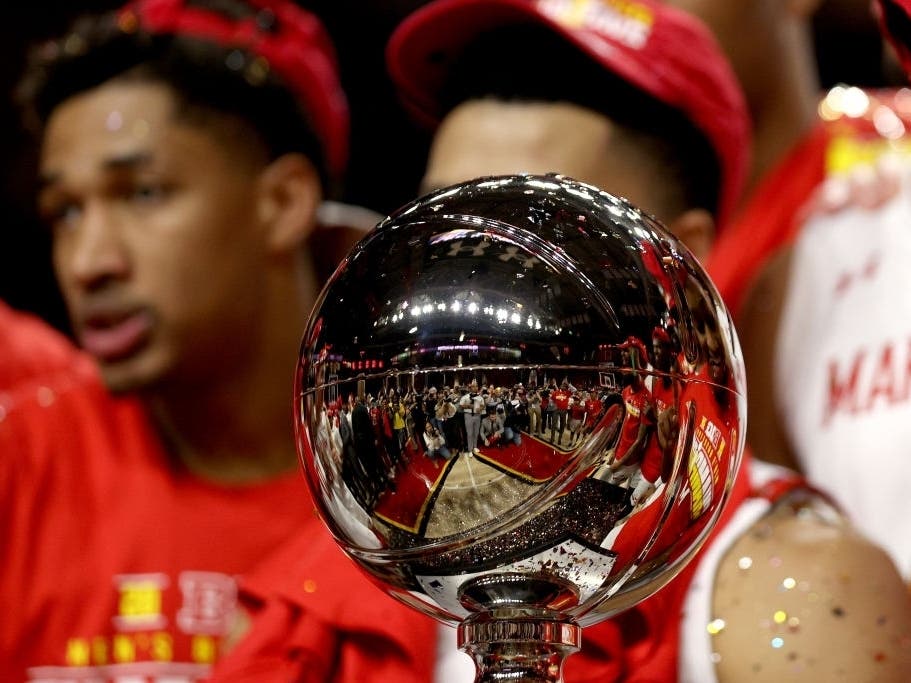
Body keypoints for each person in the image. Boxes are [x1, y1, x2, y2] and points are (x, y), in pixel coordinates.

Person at [207, 1, 911, 682]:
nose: (473, 279)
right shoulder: (305, 613)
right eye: (441, 224)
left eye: (538, 225)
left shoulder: (791, 589)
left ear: (677, 260)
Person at [0, 1, 437, 681]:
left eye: (143, 193)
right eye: (66, 211)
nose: (88, 261)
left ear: (282, 202)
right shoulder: (18, 464)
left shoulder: (445, 485)